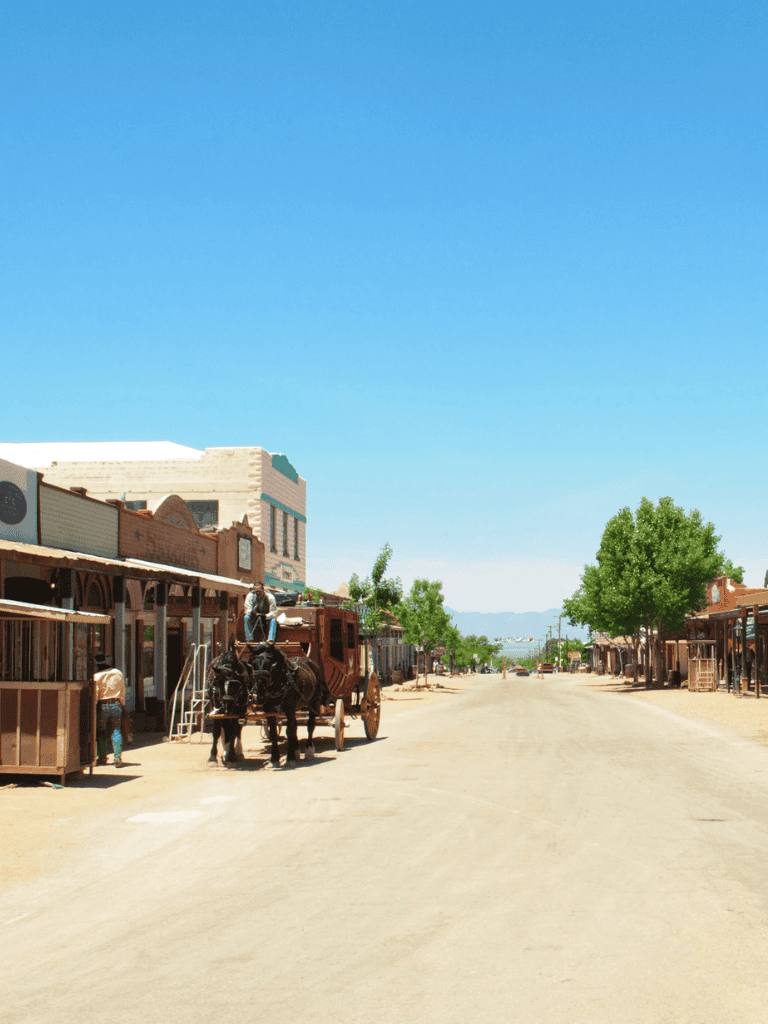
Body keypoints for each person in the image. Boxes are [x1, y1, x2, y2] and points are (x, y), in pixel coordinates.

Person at [94, 652, 126, 767]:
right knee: (116, 730)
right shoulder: (117, 673)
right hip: (116, 703)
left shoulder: (96, 677)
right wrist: (121, 703)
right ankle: (117, 757)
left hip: (103, 705)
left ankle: (102, 757)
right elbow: (122, 689)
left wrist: (94, 706)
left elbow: (96, 694)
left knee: (101, 731)